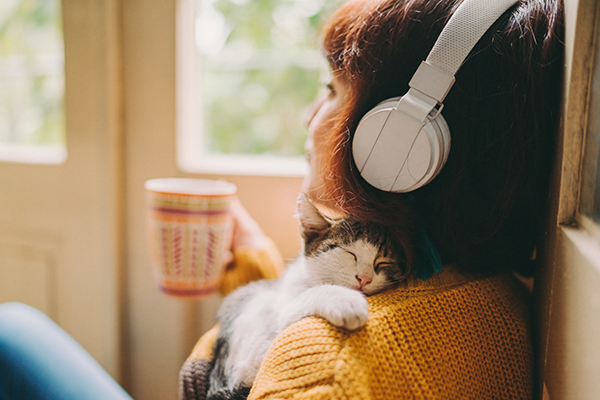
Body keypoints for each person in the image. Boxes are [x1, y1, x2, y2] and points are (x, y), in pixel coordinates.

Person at [180, 0, 564, 399]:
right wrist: (255, 275)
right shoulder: (491, 293)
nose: (308, 116)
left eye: (330, 90)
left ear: (400, 137)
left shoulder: (325, 371)